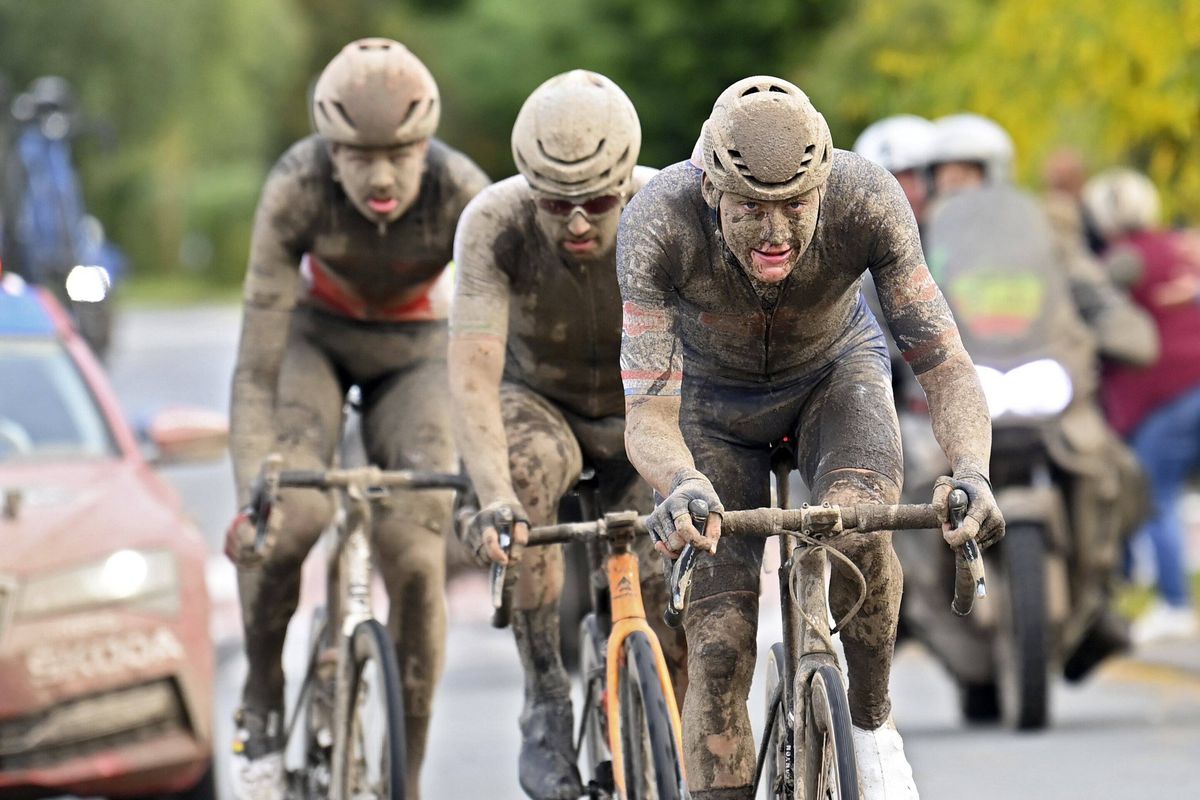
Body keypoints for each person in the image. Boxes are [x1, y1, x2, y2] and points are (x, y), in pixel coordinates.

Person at [618, 76, 1004, 799]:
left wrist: (972, 469)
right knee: (718, 649)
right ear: (710, 189)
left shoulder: (867, 197)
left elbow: (946, 365)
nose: (776, 234)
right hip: (712, 409)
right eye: (750, 209)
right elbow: (647, 410)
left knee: (862, 524)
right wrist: (682, 481)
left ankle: (873, 726)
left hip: (835, 376)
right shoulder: (657, 220)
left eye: (796, 205)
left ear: (823, 184)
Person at [224, 38, 489, 799]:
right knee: (290, 524)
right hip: (313, 341)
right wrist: (253, 499)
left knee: (416, 558)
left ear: (426, 146)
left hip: (416, 351)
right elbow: (256, 372)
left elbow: (493, 354)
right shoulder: (296, 186)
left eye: (400, 155)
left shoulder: (461, 191)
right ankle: (264, 691)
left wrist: (485, 479)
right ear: (328, 151)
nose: (381, 178)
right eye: (359, 157)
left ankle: (407, 774)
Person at [449, 69, 686, 800]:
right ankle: (547, 697)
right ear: (530, 190)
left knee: (667, 588)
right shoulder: (494, 223)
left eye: (598, 204)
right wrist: (494, 497)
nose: (578, 225)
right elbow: (472, 375)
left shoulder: (669, 207)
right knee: (521, 485)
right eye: (556, 206)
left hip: (645, 408)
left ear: (625, 184)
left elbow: (714, 351)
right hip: (540, 405)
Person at [921, 114, 1157, 683]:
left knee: (1114, 471)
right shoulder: (919, 240)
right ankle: (930, 618)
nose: (956, 184)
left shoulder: (1046, 232)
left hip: (1044, 387)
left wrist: (1114, 321)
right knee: (911, 488)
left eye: (968, 172)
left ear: (996, 174)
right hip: (956, 397)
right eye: (945, 174)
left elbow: (1087, 287)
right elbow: (892, 308)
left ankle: (1099, 594)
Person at [1085, 167, 1200, 643]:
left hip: (1170, 395)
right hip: (1191, 386)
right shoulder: (1178, 248)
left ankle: (1174, 602)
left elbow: (1090, 308)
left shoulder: (1124, 260)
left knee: (1154, 494)